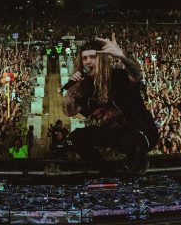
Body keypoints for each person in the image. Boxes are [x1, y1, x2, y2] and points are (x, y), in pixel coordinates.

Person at [63, 34, 158, 174]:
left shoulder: (118, 76)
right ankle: (103, 170)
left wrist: (122, 56)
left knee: (131, 141)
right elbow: (69, 112)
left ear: (101, 59)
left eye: (92, 57)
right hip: (115, 134)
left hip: (140, 131)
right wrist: (72, 90)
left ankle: (136, 167)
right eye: (84, 58)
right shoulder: (86, 87)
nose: (88, 61)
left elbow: (136, 75)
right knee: (74, 138)